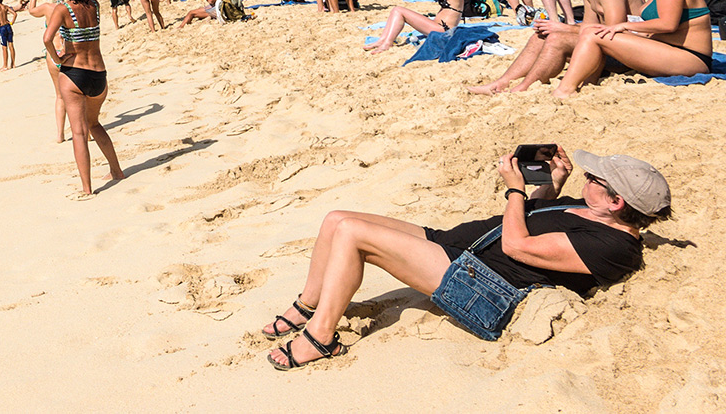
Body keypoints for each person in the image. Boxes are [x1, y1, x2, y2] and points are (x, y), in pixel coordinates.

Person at [259, 148, 665, 368]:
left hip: (483, 287)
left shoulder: (614, 247)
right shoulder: (590, 209)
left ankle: (321, 337)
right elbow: (539, 222)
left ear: (616, 202)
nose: (587, 179)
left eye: (595, 180)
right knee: (336, 219)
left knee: (353, 234)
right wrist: (552, 184)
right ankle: (307, 305)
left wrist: (515, 190)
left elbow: (519, 246)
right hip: (461, 250)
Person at [467, 0, 639, 95]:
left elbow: (613, 33)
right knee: (541, 36)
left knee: (557, 39)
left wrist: (563, 28)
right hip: (603, 46)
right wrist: (557, 28)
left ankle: (523, 88)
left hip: (626, 55)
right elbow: (589, 26)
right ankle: (501, 83)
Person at [554, 0, 715, 97]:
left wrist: (625, 25)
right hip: (670, 51)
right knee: (593, 34)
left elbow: (668, 24)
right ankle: (586, 85)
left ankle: (565, 90)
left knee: (593, 34)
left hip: (691, 57)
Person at [29, 0, 125, 198]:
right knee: (94, 124)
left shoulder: (63, 9)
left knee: (79, 133)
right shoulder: (95, 6)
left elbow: (47, 38)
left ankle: (87, 188)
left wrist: (57, 58)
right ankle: (116, 170)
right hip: (98, 74)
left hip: (74, 74)